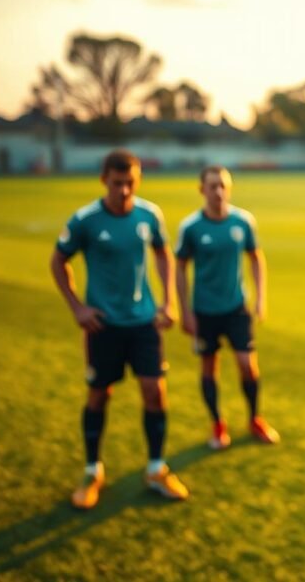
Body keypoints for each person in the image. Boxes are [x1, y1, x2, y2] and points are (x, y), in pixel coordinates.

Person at [50, 149, 188, 510]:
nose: (124, 190)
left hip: (143, 323)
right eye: (117, 183)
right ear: (103, 181)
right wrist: (78, 307)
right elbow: (58, 260)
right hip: (104, 326)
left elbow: (161, 253)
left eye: (130, 183)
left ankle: (156, 469)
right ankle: (92, 470)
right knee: (99, 395)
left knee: (155, 393)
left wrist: (168, 301)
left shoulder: (149, 215)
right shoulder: (86, 221)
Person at [175, 166, 279, 448]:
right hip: (204, 311)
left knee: (248, 365)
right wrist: (184, 311)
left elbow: (256, 258)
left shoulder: (243, 221)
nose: (218, 192)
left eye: (223, 185)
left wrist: (260, 298)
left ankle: (255, 418)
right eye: (212, 186)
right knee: (210, 367)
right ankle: (217, 424)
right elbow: (180, 267)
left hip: (236, 308)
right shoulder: (191, 227)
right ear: (202, 190)